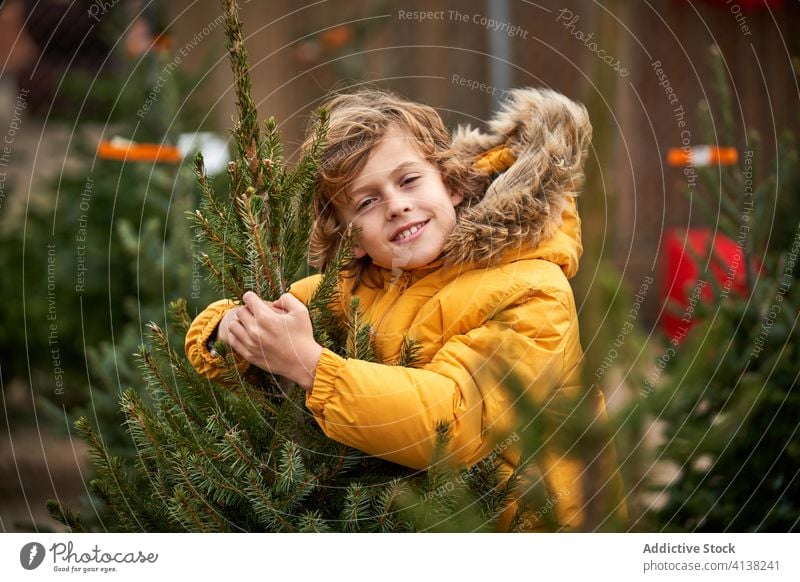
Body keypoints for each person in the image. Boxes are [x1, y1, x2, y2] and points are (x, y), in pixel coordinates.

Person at [185, 87, 626, 531]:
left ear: (451, 184)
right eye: (367, 201)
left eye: (409, 180)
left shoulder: (533, 290)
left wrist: (312, 366)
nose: (396, 205)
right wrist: (228, 328)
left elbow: (453, 425)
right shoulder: (361, 286)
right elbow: (277, 313)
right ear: (350, 238)